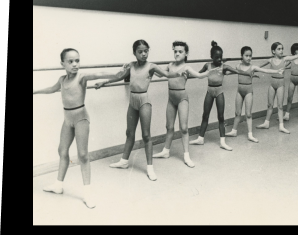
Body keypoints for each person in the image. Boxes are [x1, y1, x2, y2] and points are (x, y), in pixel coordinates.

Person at [33, 48, 128, 208]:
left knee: (83, 155)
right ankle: (58, 185)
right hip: (67, 120)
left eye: (77, 60)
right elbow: (51, 89)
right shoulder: (62, 79)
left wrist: (120, 73)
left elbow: (99, 74)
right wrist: (34, 91)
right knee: (62, 151)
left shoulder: (82, 77)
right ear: (62, 63)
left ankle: (88, 193)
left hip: (81, 119)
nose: (75, 64)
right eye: (70, 61)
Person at [96, 40, 188, 180]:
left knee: (146, 135)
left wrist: (180, 74)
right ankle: (124, 161)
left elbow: (166, 74)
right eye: (140, 51)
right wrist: (104, 82)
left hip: (144, 102)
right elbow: (119, 76)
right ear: (134, 53)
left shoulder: (151, 66)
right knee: (129, 133)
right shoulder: (131, 65)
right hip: (132, 102)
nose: (144, 54)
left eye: (146, 51)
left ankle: (150, 168)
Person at [150, 41, 221, 168]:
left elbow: (199, 75)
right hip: (171, 99)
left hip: (182, 99)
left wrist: (211, 71)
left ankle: (186, 156)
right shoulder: (170, 65)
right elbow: (159, 74)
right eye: (175, 51)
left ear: (186, 53)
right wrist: (151, 68)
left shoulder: (186, 68)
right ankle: (166, 151)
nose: (177, 53)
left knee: (183, 128)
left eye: (180, 51)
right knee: (169, 127)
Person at [189, 41, 253, 151]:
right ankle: (200, 138)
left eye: (221, 57)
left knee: (221, 117)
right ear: (211, 57)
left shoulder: (224, 66)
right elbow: (197, 74)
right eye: (217, 57)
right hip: (209, 91)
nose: (219, 59)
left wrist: (250, 73)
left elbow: (238, 71)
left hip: (219, 92)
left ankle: (222, 141)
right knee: (205, 115)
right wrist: (186, 75)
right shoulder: (207, 65)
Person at [225, 46, 285, 142]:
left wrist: (277, 71)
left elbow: (266, 70)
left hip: (248, 91)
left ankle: (250, 134)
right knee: (237, 113)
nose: (249, 58)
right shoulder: (238, 66)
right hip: (239, 91)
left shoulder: (252, 67)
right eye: (246, 56)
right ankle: (234, 131)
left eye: (250, 56)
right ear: (242, 56)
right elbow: (228, 72)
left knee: (248, 114)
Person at [256, 42, 298, 134]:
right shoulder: (270, 60)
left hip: (280, 85)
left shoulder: (285, 59)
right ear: (273, 51)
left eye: (282, 48)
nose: (281, 50)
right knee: (270, 105)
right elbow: (258, 67)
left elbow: (296, 56)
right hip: (272, 84)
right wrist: (252, 71)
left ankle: (281, 126)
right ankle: (266, 123)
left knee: (280, 106)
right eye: (279, 49)